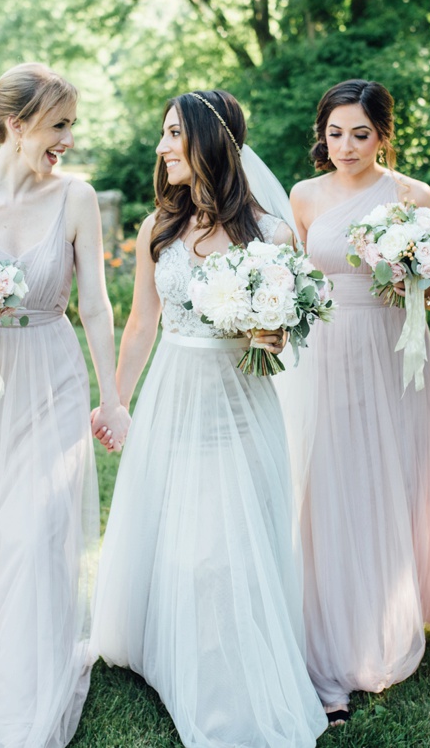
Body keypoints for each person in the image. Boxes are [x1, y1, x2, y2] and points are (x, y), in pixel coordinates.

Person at [91, 90, 327, 747]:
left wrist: (274, 336)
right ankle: (170, 652)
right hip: (173, 392)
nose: (162, 147)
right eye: (162, 134)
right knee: (178, 532)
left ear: (210, 141)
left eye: (172, 133)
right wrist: (117, 399)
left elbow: (293, 327)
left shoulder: (271, 234)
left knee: (225, 544)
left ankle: (229, 678)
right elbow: (142, 324)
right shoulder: (157, 228)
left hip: (238, 400)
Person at [0, 63, 126, 747]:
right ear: (16, 124)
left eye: (70, 125)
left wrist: (114, 396)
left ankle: (31, 698)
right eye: (59, 125)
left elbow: (94, 306)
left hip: (53, 373)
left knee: (37, 531)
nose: (68, 139)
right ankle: (12, 654)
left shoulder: (75, 199)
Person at [285, 80, 430, 723]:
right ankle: (330, 626)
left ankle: (386, 611)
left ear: (383, 135)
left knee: (390, 476)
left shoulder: (413, 196)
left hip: (391, 352)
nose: (346, 146)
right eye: (335, 134)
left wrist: (417, 278)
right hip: (325, 353)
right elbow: (298, 280)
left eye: (360, 134)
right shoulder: (304, 197)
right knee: (329, 481)